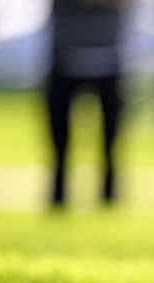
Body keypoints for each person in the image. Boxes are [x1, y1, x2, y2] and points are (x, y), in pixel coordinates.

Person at [46, 0, 126, 208]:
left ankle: (109, 195)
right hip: (65, 56)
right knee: (59, 137)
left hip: (107, 57)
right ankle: (59, 194)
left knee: (111, 137)